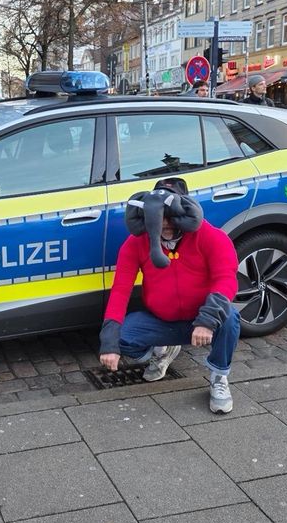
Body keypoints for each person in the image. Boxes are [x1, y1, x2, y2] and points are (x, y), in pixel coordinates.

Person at [98, 177, 240, 414]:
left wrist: (207, 321)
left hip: (202, 319)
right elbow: (120, 290)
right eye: (159, 217)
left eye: (169, 216)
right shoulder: (135, 244)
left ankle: (219, 377)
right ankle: (163, 350)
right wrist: (109, 343)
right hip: (162, 320)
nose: (164, 224)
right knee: (123, 337)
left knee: (230, 318)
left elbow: (226, 279)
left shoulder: (210, 236)